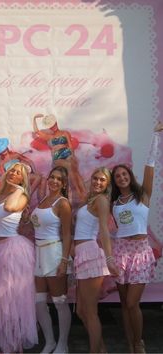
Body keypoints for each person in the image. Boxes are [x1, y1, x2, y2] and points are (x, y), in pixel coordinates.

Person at [110, 122, 163, 353]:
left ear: (129, 176)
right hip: (120, 251)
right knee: (124, 304)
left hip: (141, 252)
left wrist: (156, 135)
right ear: (114, 181)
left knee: (133, 302)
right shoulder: (112, 202)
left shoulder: (143, 195)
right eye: (117, 176)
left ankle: (139, 342)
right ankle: (130, 343)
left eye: (124, 174)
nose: (121, 177)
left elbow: (150, 164)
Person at [0, 162, 38, 353]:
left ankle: (15, 346)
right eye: (12, 171)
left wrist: (19, 189)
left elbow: (9, 208)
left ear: (22, 179)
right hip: (1, 248)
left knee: (13, 298)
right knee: (3, 299)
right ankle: (8, 343)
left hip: (14, 250)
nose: (13, 173)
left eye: (18, 173)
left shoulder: (22, 196)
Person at [73, 167, 119, 353]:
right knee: (81, 311)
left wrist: (109, 258)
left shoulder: (101, 200)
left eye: (102, 180)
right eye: (95, 178)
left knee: (90, 312)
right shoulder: (90, 199)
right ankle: (102, 350)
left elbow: (104, 231)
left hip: (90, 254)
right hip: (81, 254)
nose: (97, 182)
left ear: (107, 184)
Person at [30, 166, 72, 354]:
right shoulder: (43, 200)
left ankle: (63, 343)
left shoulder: (63, 203)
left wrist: (64, 261)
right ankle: (50, 342)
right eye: (52, 177)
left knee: (59, 301)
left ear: (63, 184)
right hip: (38, 254)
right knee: (39, 301)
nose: (54, 181)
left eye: (59, 179)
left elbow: (67, 234)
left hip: (54, 253)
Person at [33, 114, 86, 200]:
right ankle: (78, 193)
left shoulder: (65, 133)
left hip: (67, 153)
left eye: (54, 125)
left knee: (75, 171)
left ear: (56, 123)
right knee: (70, 167)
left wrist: (73, 156)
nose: (53, 127)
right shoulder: (49, 137)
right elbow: (37, 132)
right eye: (51, 126)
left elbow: (70, 146)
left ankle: (84, 194)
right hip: (58, 157)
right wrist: (34, 118)